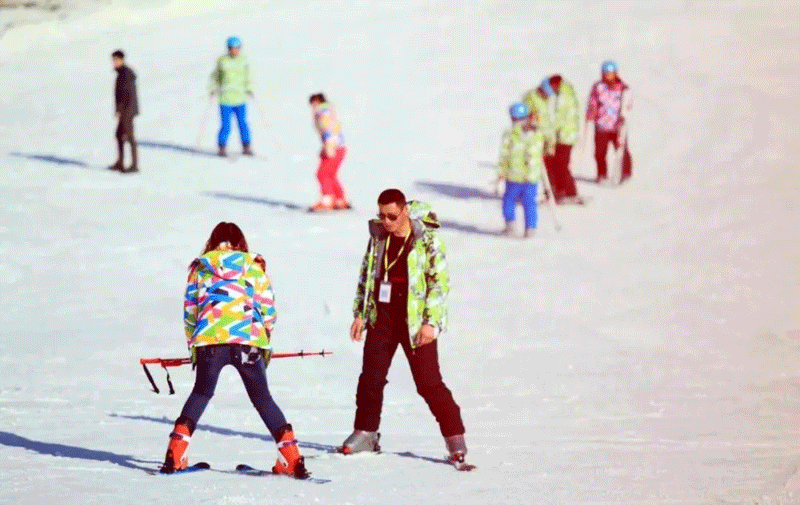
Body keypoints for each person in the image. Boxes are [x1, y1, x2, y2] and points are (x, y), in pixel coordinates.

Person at [159, 222, 308, 479]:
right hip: (248, 340)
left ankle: (175, 453)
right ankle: (291, 458)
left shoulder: (201, 268)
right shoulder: (253, 266)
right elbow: (268, 309)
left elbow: (190, 311)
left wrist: (193, 344)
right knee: (262, 399)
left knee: (202, 392)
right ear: (241, 242)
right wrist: (265, 341)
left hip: (209, 340)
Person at [342, 189, 472, 470]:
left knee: (428, 383)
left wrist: (430, 323)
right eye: (382, 215)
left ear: (404, 212)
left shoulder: (427, 240)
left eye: (392, 216)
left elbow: (439, 284)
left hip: (414, 319)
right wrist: (360, 314)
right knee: (371, 377)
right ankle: (366, 432)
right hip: (383, 315)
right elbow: (367, 275)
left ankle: (455, 439)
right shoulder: (378, 237)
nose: (386, 221)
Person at [496, 102, 545, 238]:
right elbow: (538, 152)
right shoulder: (536, 133)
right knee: (529, 203)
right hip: (531, 177)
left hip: (514, 176)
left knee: (509, 200)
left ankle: (510, 225)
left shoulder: (510, 134)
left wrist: (501, 172)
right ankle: (530, 228)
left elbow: (504, 155)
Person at [585, 60, 633, 183]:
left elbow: (628, 103)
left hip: (617, 125)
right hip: (601, 125)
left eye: (610, 73)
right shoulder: (598, 87)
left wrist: (624, 115)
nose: (608, 76)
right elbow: (593, 101)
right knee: (600, 152)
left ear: (615, 73)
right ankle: (602, 174)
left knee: (621, 150)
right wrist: (591, 113)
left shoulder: (623, 88)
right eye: (605, 73)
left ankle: (625, 173)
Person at [539, 75, 584, 204]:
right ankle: (557, 190)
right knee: (553, 163)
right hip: (560, 136)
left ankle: (569, 192)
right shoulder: (562, 94)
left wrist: (546, 131)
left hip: (565, 136)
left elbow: (558, 119)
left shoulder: (564, 97)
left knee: (561, 164)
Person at [210, 36, 253, 157]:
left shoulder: (243, 60)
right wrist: (213, 88)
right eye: (232, 48)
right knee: (226, 125)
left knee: (243, 124)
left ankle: (246, 146)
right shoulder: (222, 61)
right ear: (228, 49)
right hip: (226, 99)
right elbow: (215, 77)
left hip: (240, 99)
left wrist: (249, 88)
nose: (234, 51)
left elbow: (248, 76)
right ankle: (222, 147)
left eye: (236, 48)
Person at [308, 93, 350, 211]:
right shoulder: (325, 111)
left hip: (334, 147)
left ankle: (327, 200)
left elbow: (329, 130)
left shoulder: (323, 112)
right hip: (338, 147)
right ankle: (339, 199)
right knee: (330, 174)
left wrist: (329, 147)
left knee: (323, 173)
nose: (313, 106)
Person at [108, 50, 139, 173]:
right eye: (113, 60)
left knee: (129, 137)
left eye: (116, 60)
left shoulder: (125, 74)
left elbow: (126, 95)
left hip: (127, 111)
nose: (114, 62)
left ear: (121, 60)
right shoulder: (122, 73)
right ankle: (120, 162)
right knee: (119, 135)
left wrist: (120, 111)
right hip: (126, 110)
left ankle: (134, 165)